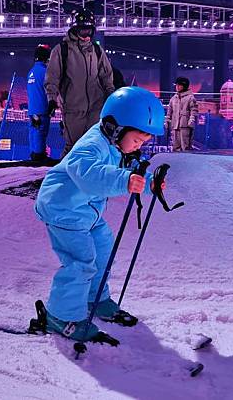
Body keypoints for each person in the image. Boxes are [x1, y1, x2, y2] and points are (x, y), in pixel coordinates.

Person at [35, 87, 165, 342]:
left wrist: (147, 182)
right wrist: (125, 180)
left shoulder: (115, 144)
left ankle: (96, 298)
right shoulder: (90, 146)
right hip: (64, 210)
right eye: (137, 140)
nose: (138, 146)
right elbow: (90, 175)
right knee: (80, 261)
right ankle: (61, 316)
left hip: (87, 211)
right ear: (115, 127)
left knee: (104, 251)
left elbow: (128, 168)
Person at [44, 7, 115, 157]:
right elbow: (52, 77)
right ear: (75, 29)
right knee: (73, 147)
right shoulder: (62, 50)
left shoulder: (96, 50)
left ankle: (90, 178)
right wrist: (51, 99)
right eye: (83, 31)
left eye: (89, 31)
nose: (86, 35)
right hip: (73, 108)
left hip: (96, 107)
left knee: (94, 146)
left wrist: (111, 96)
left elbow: (106, 75)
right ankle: (62, 177)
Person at [27, 43, 52, 162]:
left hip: (32, 109)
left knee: (33, 132)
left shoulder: (31, 71)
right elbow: (50, 89)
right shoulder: (45, 72)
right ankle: (39, 156)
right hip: (42, 109)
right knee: (40, 133)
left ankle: (34, 153)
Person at [165, 76, 198, 152]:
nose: (177, 87)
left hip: (185, 126)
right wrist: (167, 120)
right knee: (175, 147)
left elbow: (194, 110)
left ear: (184, 86)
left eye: (179, 85)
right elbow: (169, 111)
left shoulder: (190, 98)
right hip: (174, 126)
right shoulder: (173, 98)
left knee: (185, 147)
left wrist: (191, 120)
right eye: (176, 85)